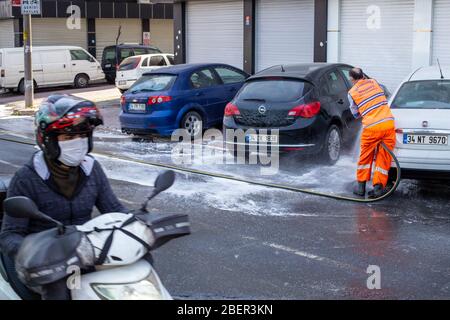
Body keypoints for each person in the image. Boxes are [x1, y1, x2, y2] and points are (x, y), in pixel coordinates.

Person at [0, 94, 127, 299]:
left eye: (83, 135)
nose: (78, 142)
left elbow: (115, 209)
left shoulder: (91, 170)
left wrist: (138, 222)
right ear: (48, 140)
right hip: (44, 267)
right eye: (68, 137)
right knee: (60, 291)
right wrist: (35, 252)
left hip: (84, 254)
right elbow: (9, 235)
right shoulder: (26, 178)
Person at [347, 68, 396, 198]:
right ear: (363, 75)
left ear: (351, 79)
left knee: (365, 157)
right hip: (388, 124)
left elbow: (356, 114)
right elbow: (383, 94)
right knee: (384, 157)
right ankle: (378, 187)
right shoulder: (374, 82)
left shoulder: (352, 93)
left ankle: (361, 188)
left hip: (372, 127)